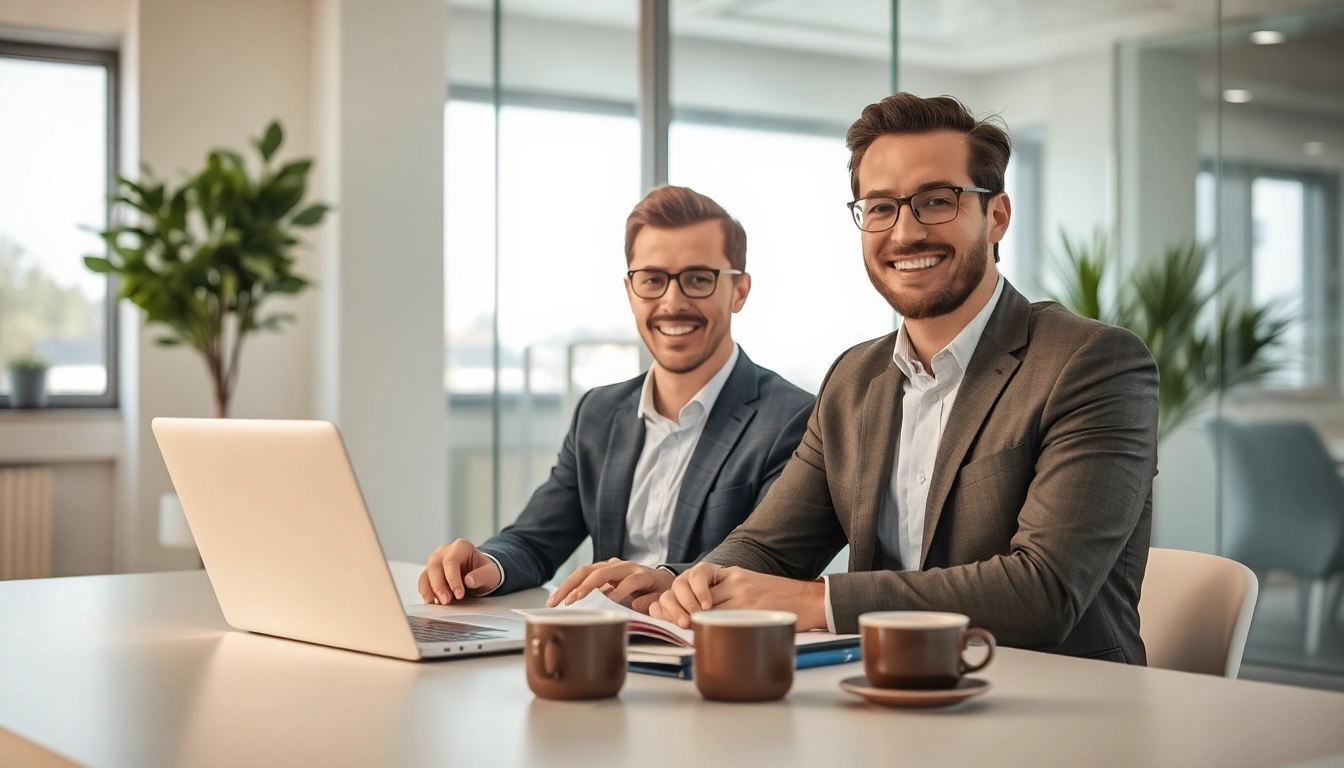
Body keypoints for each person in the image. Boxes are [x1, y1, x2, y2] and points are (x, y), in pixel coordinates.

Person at [647, 93, 1160, 664]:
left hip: (1055, 714)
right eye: (881, 208)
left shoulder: (1093, 362)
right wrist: (683, 584)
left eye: (936, 201)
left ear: (996, 216)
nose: (905, 233)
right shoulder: (853, 378)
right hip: (883, 698)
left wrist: (819, 603)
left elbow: (1042, 591)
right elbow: (768, 545)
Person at [418, 185, 814, 611]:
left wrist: (667, 580)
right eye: (652, 280)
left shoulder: (792, 419)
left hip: (706, 655)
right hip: (598, 648)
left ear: (739, 291)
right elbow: (535, 539)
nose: (672, 302)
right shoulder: (598, 413)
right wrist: (485, 566)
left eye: (699, 279)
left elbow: (769, 565)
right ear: (630, 291)